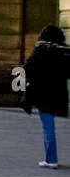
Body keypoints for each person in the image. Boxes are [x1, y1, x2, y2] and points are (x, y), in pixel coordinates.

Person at [21, 25, 70, 168]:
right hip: (59, 93)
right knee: (49, 126)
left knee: (48, 127)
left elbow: (27, 68)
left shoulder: (41, 49)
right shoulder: (64, 51)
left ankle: (51, 159)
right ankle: (50, 159)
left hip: (44, 94)